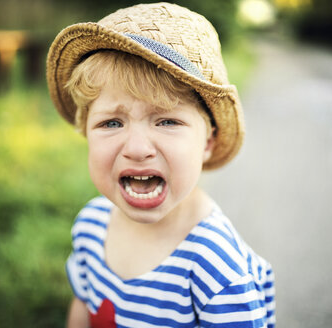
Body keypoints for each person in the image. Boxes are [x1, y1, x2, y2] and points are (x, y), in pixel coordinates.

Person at [46, 3, 275, 327]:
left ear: (207, 143)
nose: (138, 149)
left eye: (167, 120)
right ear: (87, 134)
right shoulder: (91, 226)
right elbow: (83, 306)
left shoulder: (218, 270)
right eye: (111, 123)